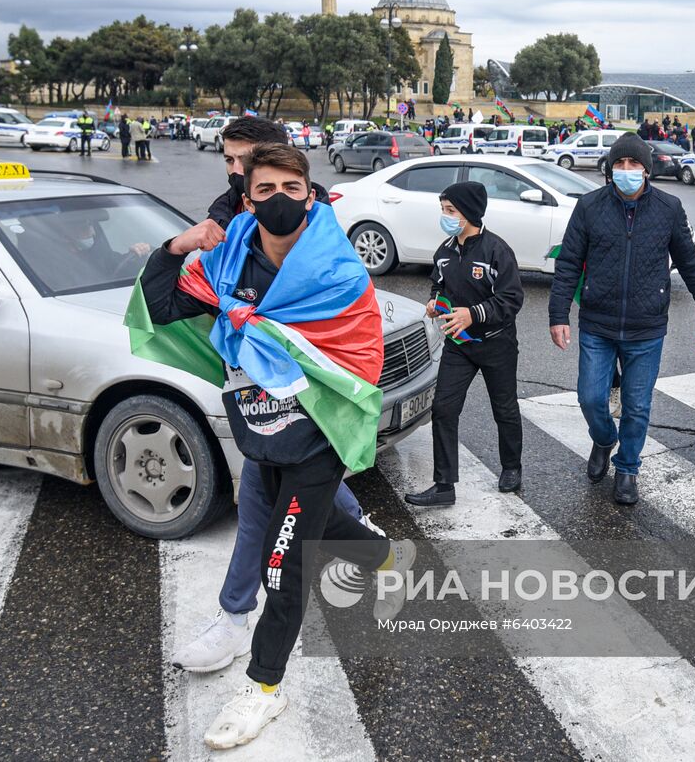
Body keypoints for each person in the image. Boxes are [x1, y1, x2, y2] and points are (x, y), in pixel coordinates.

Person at [138, 142, 414, 750]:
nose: (281, 200)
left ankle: (264, 688)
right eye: (265, 191)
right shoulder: (230, 263)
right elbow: (160, 305)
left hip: (317, 439)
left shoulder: (337, 270)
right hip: (262, 433)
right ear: (248, 199)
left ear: (310, 194)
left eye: (292, 189)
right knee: (300, 538)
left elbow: (361, 355)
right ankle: (384, 557)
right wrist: (176, 248)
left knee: (284, 566)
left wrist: (267, 337)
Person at [169, 117, 375, 676]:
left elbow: (350, 328)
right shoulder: (227, 222)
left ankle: (247, 646)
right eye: (232, 166)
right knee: (283, 508)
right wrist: (173, 250)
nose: (235, 173)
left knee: (274, 536)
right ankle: (366, 551)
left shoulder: (324, 240)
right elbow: (186, 290)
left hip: (313, 417)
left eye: (244, 162)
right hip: (260, 413)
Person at [548, 134, 695, 506]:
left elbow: (689, 262)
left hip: (647, 327)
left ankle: (627, 469)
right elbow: (569, 263)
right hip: (598, 323)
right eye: (620, 164)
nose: (626, 171)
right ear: (611, 169)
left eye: (634, 165)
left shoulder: (668, 208)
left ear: (647, 169)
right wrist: (558, 314)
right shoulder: (590, 206)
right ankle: (605, 438)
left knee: (638, 405)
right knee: (591, 398)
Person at [405, 182, 525, 507]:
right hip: (459, 345)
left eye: (451, 211)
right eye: (443, 210)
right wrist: (434, 302)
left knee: (505, 409)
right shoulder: (444, 252)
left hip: (496, 344)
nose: (445, 217)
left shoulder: (497, 251)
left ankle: (511, 467)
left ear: (470, 213)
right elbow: (438, 284)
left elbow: (512, 299)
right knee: (443, 409)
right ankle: (444, 486)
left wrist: (474, 314)